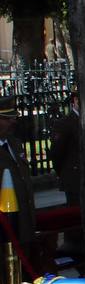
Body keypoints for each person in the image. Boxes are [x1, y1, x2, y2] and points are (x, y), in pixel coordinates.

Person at [0, 96, 35, 245]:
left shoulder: (15, 144)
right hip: (4, 230)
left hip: (24, 225)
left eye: (13, 117)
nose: (13, 122)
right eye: (6, 119)